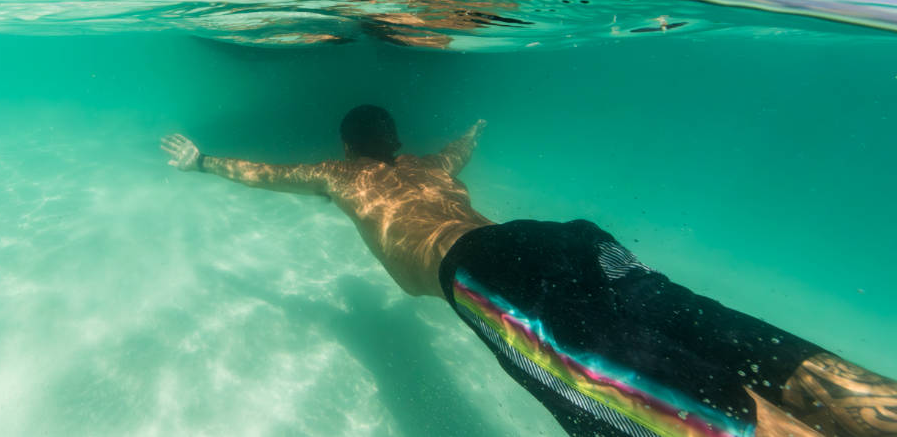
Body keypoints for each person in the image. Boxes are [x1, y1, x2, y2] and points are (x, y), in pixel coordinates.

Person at [161, 107, 896, 437]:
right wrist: (474, 133)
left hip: (483, 269)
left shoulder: (336, 174)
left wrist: (201, 163)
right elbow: (460, 149)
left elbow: (263, 173)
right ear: (392, 137)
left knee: (686, 406)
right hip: (567, 241)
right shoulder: (429, 161)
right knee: (716, 335)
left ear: (349, 143)